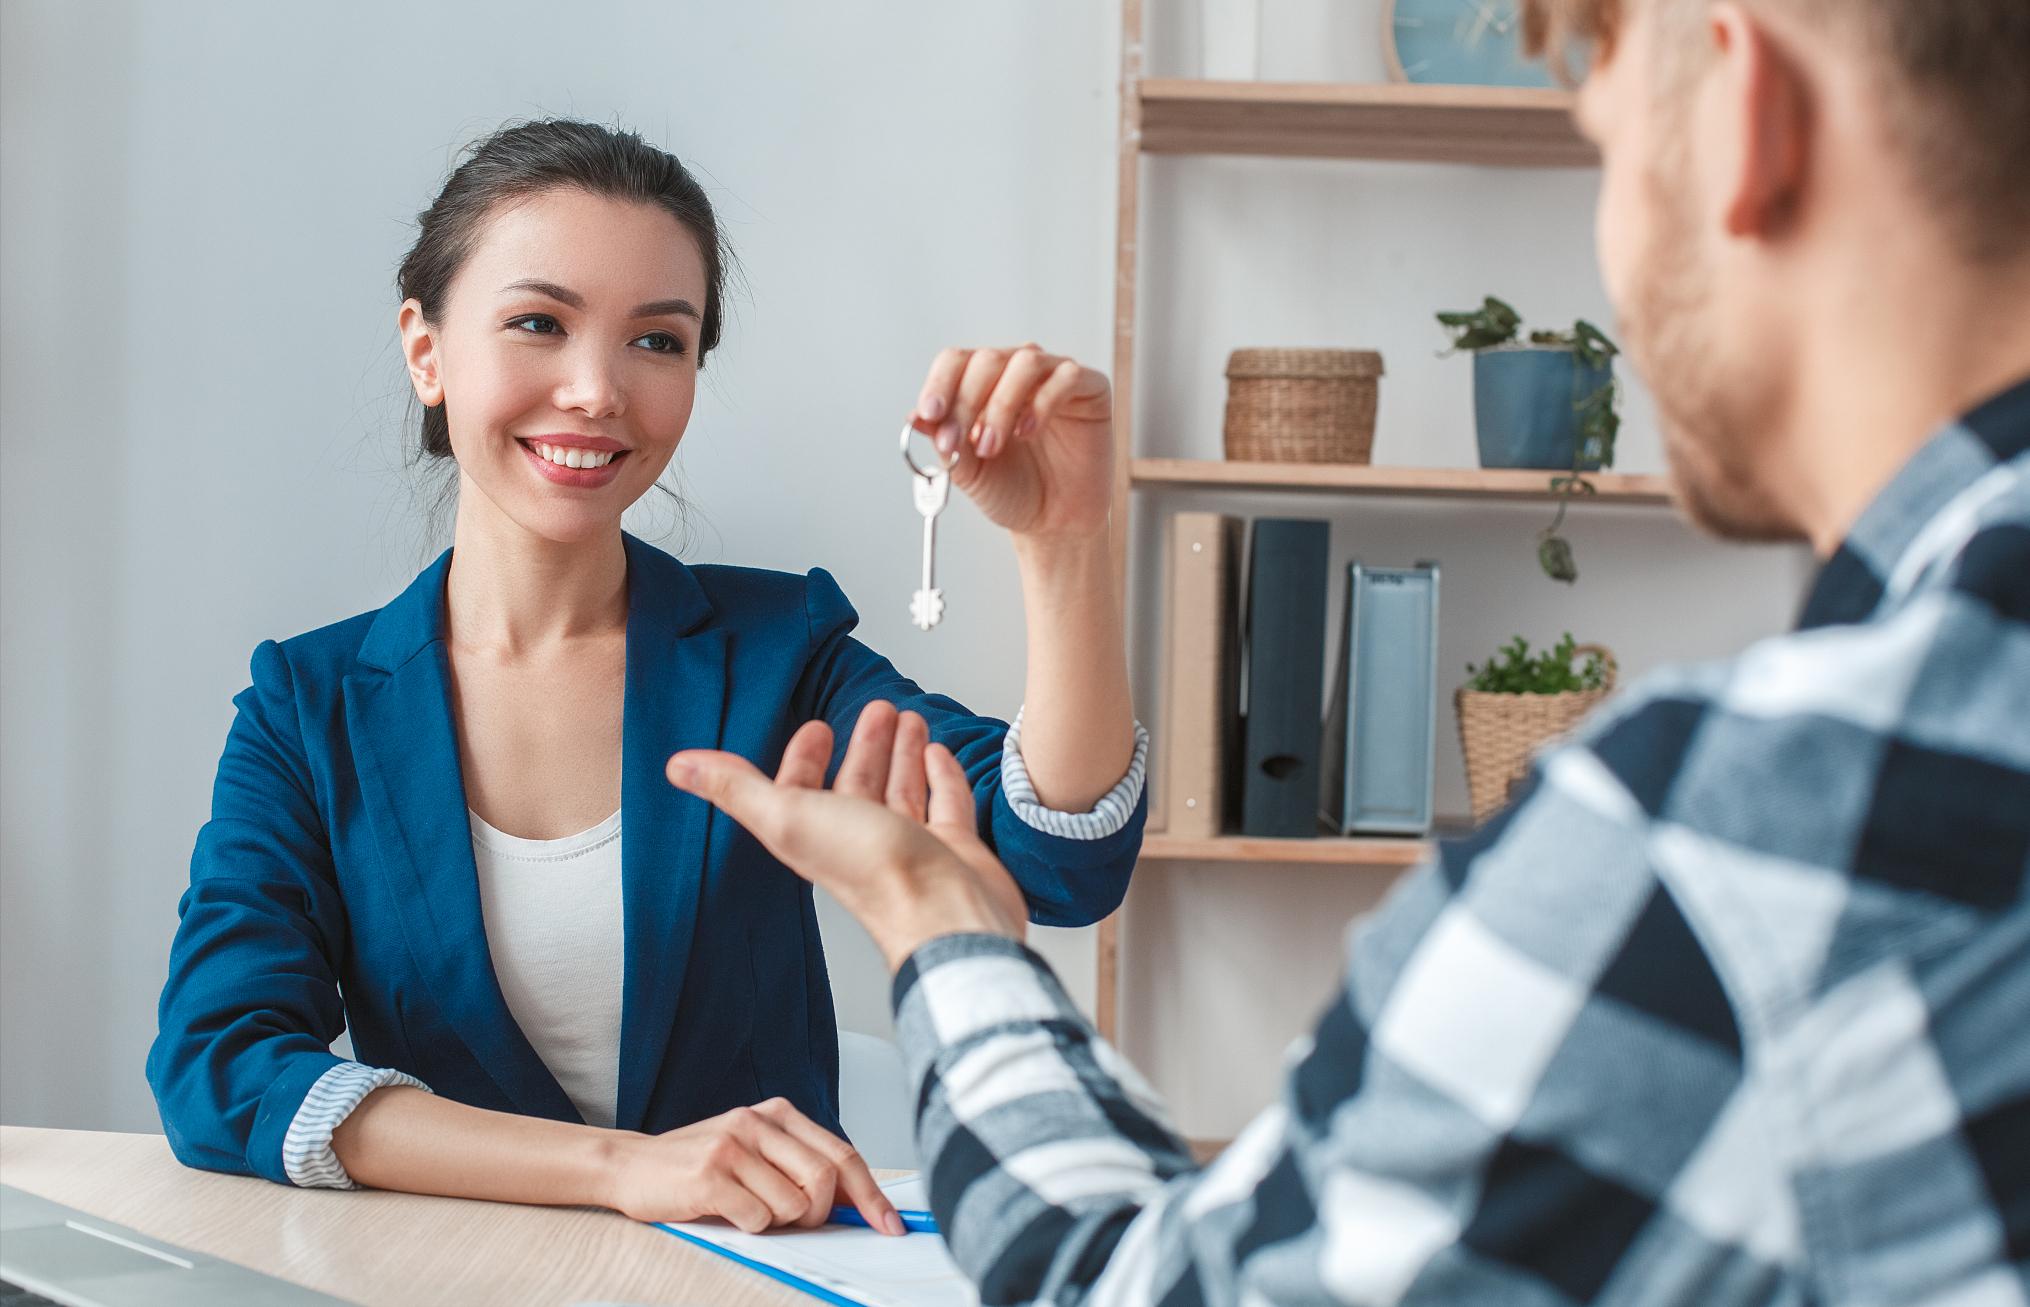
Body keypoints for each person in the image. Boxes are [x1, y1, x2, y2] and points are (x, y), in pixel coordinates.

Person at [668, 0, 2030, 1299]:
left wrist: (940, 922)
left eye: (1602, 150)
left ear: (1743, 109)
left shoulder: (1742, 835)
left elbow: (1139, 1262)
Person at [145, 119, 1149, 1235]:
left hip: (749, 1276)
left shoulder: (779, 650)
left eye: (656, 342)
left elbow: (1060, 861)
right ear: (425, 349)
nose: (596, 390)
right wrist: (619, 1167)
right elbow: (221, 1066)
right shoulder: (307, 706)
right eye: (538, 323)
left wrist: (1063, 544)